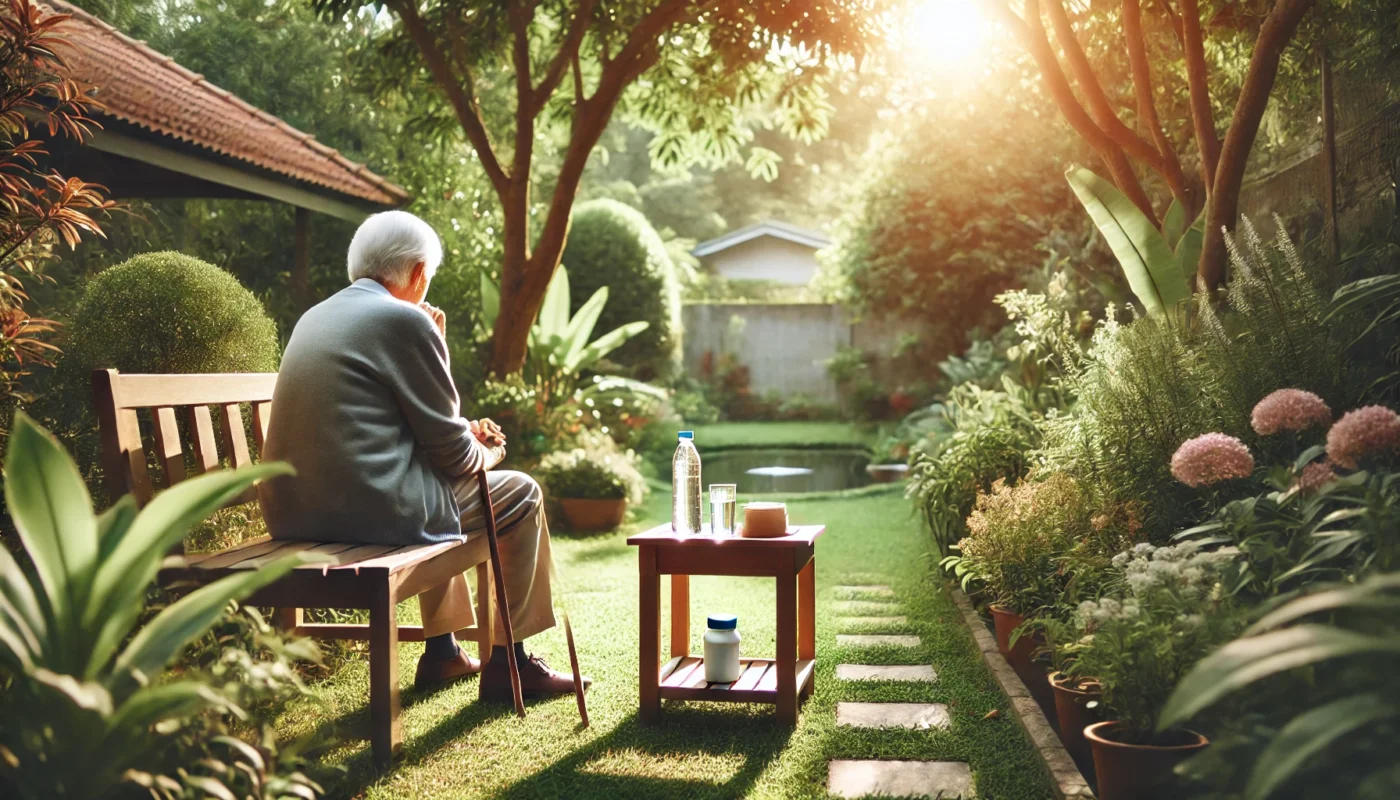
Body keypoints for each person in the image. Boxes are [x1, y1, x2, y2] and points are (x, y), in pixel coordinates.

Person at [257, 210, 587, 699]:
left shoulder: (316, 315)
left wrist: (442, 373)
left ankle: (444, 652)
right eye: (427, 277)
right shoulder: (402, 319)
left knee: (434, 488)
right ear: (416, 273)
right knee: (521, 494)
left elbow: (403, 428)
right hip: (367, 518)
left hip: (291, 514)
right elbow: (456, 458)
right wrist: (489, 450)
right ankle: (511, 664)